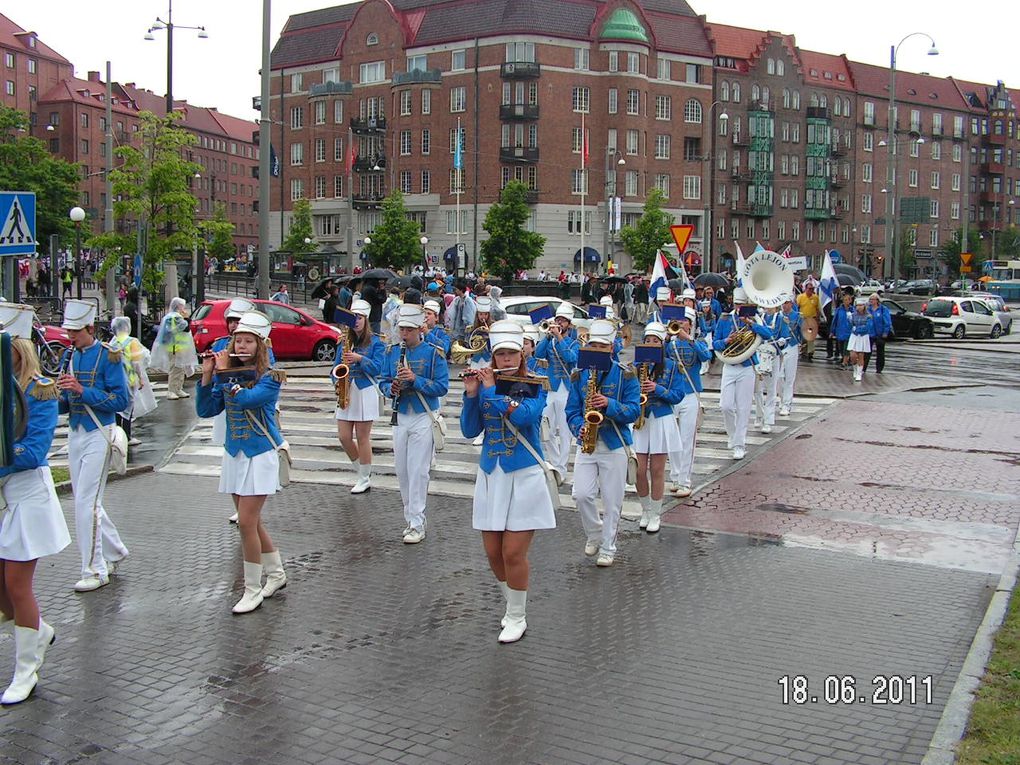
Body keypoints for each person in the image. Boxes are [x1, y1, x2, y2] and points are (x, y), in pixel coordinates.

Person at [460, 321, 554, 643]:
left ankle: (517, 615)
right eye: (500, 354)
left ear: (521, 353)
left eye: (511, 352)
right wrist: (471, 396)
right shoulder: (487, 383)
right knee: (492, 552)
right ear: (494, 356)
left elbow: (524, 416)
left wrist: (489, 392)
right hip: (491, 474)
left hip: (524, 474)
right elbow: (471, 431)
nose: (506, 359)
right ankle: (512, 601)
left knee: (513, 553)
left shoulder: (535, 383)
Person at [0, 305, 71, 705]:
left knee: (16, 585)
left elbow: (34, 451)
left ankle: (26, 671)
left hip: (26, 493)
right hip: (1, 493)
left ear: (17, 344)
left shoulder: (39, 387)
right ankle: (39, 630)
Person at [196, 311, 288, 613]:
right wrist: (208, 374)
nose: (243, 345)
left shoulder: (270, 377)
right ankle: (276, 574)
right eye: (239, 340)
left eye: (250, 341)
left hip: (259, 454)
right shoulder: (229, 376)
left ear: (261, 346)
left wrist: (223, 375)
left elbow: (249, 400)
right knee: (252, 522)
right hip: (234, 453)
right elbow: (206, 410)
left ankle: (251, 589)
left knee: (246, 523)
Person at [56, 299, 130, 592]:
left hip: (99, 433)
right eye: (68, 331)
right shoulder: (68, 357)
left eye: (75, 331)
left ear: (90, 328)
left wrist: (82, 391)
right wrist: (55, 397)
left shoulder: (109, 356)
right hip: (76, 432)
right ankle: (115, 551)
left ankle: (95, 569)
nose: (70, 336)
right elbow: (66, 402)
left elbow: (121, 402)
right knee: (86, 501)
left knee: (86, 503)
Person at [566, 319, 641, 567]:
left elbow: (633, 412)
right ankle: (595, 532)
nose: (596, 350)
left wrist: (609, 405)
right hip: (587, 442)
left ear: (610, 348)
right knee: (581, 494)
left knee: (612, 500)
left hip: (614, 444)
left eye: (601, 346)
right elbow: (572, 411)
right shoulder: (579, 375)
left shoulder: (626, 374)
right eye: (593, 346)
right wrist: (579, 426)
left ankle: (608, 546)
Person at [380, 304, 449, 544]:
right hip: (401, 416)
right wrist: (391, 388)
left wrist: (415, 380)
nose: (404, 334)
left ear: (420, 329)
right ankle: (410, 517)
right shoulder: (391, 352)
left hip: (423, 414)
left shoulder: (432, 353)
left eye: (409, 330)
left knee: (418, 471)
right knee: (402, 470)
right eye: (402, 329)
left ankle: (417, 521)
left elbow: (441, 387)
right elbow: (382, 381)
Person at [631, 322, 684, 533]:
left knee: (657, 469)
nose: (651, 344)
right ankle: (645, 509)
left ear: (662, 344)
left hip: (661, 418)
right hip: (641, 420)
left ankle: (656, 513)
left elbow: (677, 396)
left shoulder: (671, 366)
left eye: (655, 341)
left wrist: (657, 388)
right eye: (648, 341)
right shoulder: (636, 366)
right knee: (639, 470)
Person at [713, 289, 773, 460]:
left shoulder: (754, 319)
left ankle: (740, 444)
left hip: (747, 366)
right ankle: (732, 436)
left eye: (742, 305)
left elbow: (768, 335)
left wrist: (751, 324)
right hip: (729, 365)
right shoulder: (725, 319)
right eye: (737, 304)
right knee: (725, 406)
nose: (739, 308)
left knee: (743, 408)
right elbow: (716, 343)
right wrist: (727, 341)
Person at [334, 299, 385, 495]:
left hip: (365, 391)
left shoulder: (376, 342)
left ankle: (364, 477)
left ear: (366, 320)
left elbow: (378, 368)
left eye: (360, 318)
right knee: (344, 437)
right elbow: (335, 367)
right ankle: (361, 471)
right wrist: (336, 380)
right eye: (354, 318)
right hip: (346, 389)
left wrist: (360, 359)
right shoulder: (344, 340)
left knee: (362, 437)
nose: (356, 322)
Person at [667, 308, 712, 496]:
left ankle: (685, 480)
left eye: (684, 321)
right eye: (678, 321)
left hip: (691, 394)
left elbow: (706, 356)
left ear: (690, 324)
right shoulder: (669, 343)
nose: (681, 324)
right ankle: (675, 476)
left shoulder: (698, 342)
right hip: (672, 393)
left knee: (687, 439)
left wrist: (689, 339)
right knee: (672, 439)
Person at [533, 303, 579, 480]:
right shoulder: (549, 340)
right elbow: (538, 354)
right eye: (557, 319)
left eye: (563, 321)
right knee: (547, 428)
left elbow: (571, 358)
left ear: (569, 323)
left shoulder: (574, 342)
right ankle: (553, 461)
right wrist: (546, 336)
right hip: (551, 387)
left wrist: (559, 338)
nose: (559, 323)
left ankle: (562, 467)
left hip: (567, 389)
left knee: (565, 431)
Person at [109, 316, 156, 448]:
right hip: (129, 379)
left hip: (116, 379)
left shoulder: (113, 341)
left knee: (118, 409)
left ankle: (117, 435)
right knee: (129, 408)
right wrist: (140, 378)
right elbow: (137, 362)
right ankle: (127, 436)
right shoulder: (132, 342)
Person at [149, 297, 199, 400]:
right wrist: (186, 318)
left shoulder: (174, 317)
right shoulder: (174, 317)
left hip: (179, 347)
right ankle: (171, 390)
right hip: (174, 347)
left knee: (180, 369)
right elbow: (184, 328)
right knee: (175, 369)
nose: (183, 308)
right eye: (182, 305)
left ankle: (178, 388)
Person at [776, 297, 802, 416]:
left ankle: (787, 404)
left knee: (789, 377)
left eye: (786, 302)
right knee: (779, 377)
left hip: (792, 345)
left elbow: (804, 331)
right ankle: (781, 399)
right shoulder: (778, 316)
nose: (784, 305)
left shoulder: (797, 316)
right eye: (782, 303)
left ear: (791, 303)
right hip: (780, 347)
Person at [848, 297, 874, 382]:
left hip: (863, 336)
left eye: (861, 305)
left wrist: (858, 329)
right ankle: (855, 369)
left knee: (861, 355)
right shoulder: (853, 315)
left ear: (864, 306)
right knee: (852, 355)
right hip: (854, 336)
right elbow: (851, 326)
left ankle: (859, 373)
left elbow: (868, 327)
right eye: (857, 305)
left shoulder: (868, 316)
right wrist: (850, 321)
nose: (859, 307)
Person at [866, 294, 892, 374]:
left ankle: (879, 368)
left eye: (873, 299)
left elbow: (887, 322)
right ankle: (863, 368)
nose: (871, 301)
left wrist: (885, 332)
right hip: (869, 334)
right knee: (867, 352)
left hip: (880, 334)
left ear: (877, 300)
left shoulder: (883, 309)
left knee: (880, 352)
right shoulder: (868, 310)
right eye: (870, 299)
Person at [795, 282, 821, 361]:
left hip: (812, 319)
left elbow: (818, 309)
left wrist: (817, 319)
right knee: (803, 336)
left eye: (812, 289)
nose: (811, 290)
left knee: (810, 336)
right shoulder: (800, 297)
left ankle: (810, 352)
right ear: (805, 289)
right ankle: (803, 351)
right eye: (809, 289)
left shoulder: (815, 298)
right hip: (803, 319)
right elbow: (797, 307)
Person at [830, 293, 854, 369]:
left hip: (849, 332)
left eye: (848, 299)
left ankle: (845, 362)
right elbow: (835, 321)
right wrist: (832, 331)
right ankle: (846, 359)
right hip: (840, 332)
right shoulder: (839, 310)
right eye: (845, 300)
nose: (846, 301)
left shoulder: (853, 310)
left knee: (846, 348)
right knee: (841, 348)